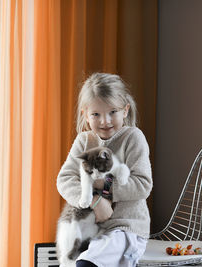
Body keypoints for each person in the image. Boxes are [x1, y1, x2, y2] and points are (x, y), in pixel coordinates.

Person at [57, 73, 153, 267]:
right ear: (85, 114)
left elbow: (142, 185)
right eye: (96, 114)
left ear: (125, 111)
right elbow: (65, 179)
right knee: (71, 256)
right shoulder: (84, 141)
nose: (104, 121)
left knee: (87, 264)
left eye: (112, 112)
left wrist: (103, 185)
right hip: (92, 229)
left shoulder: (133, 138)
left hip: (125, 229)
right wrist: (95, 201)